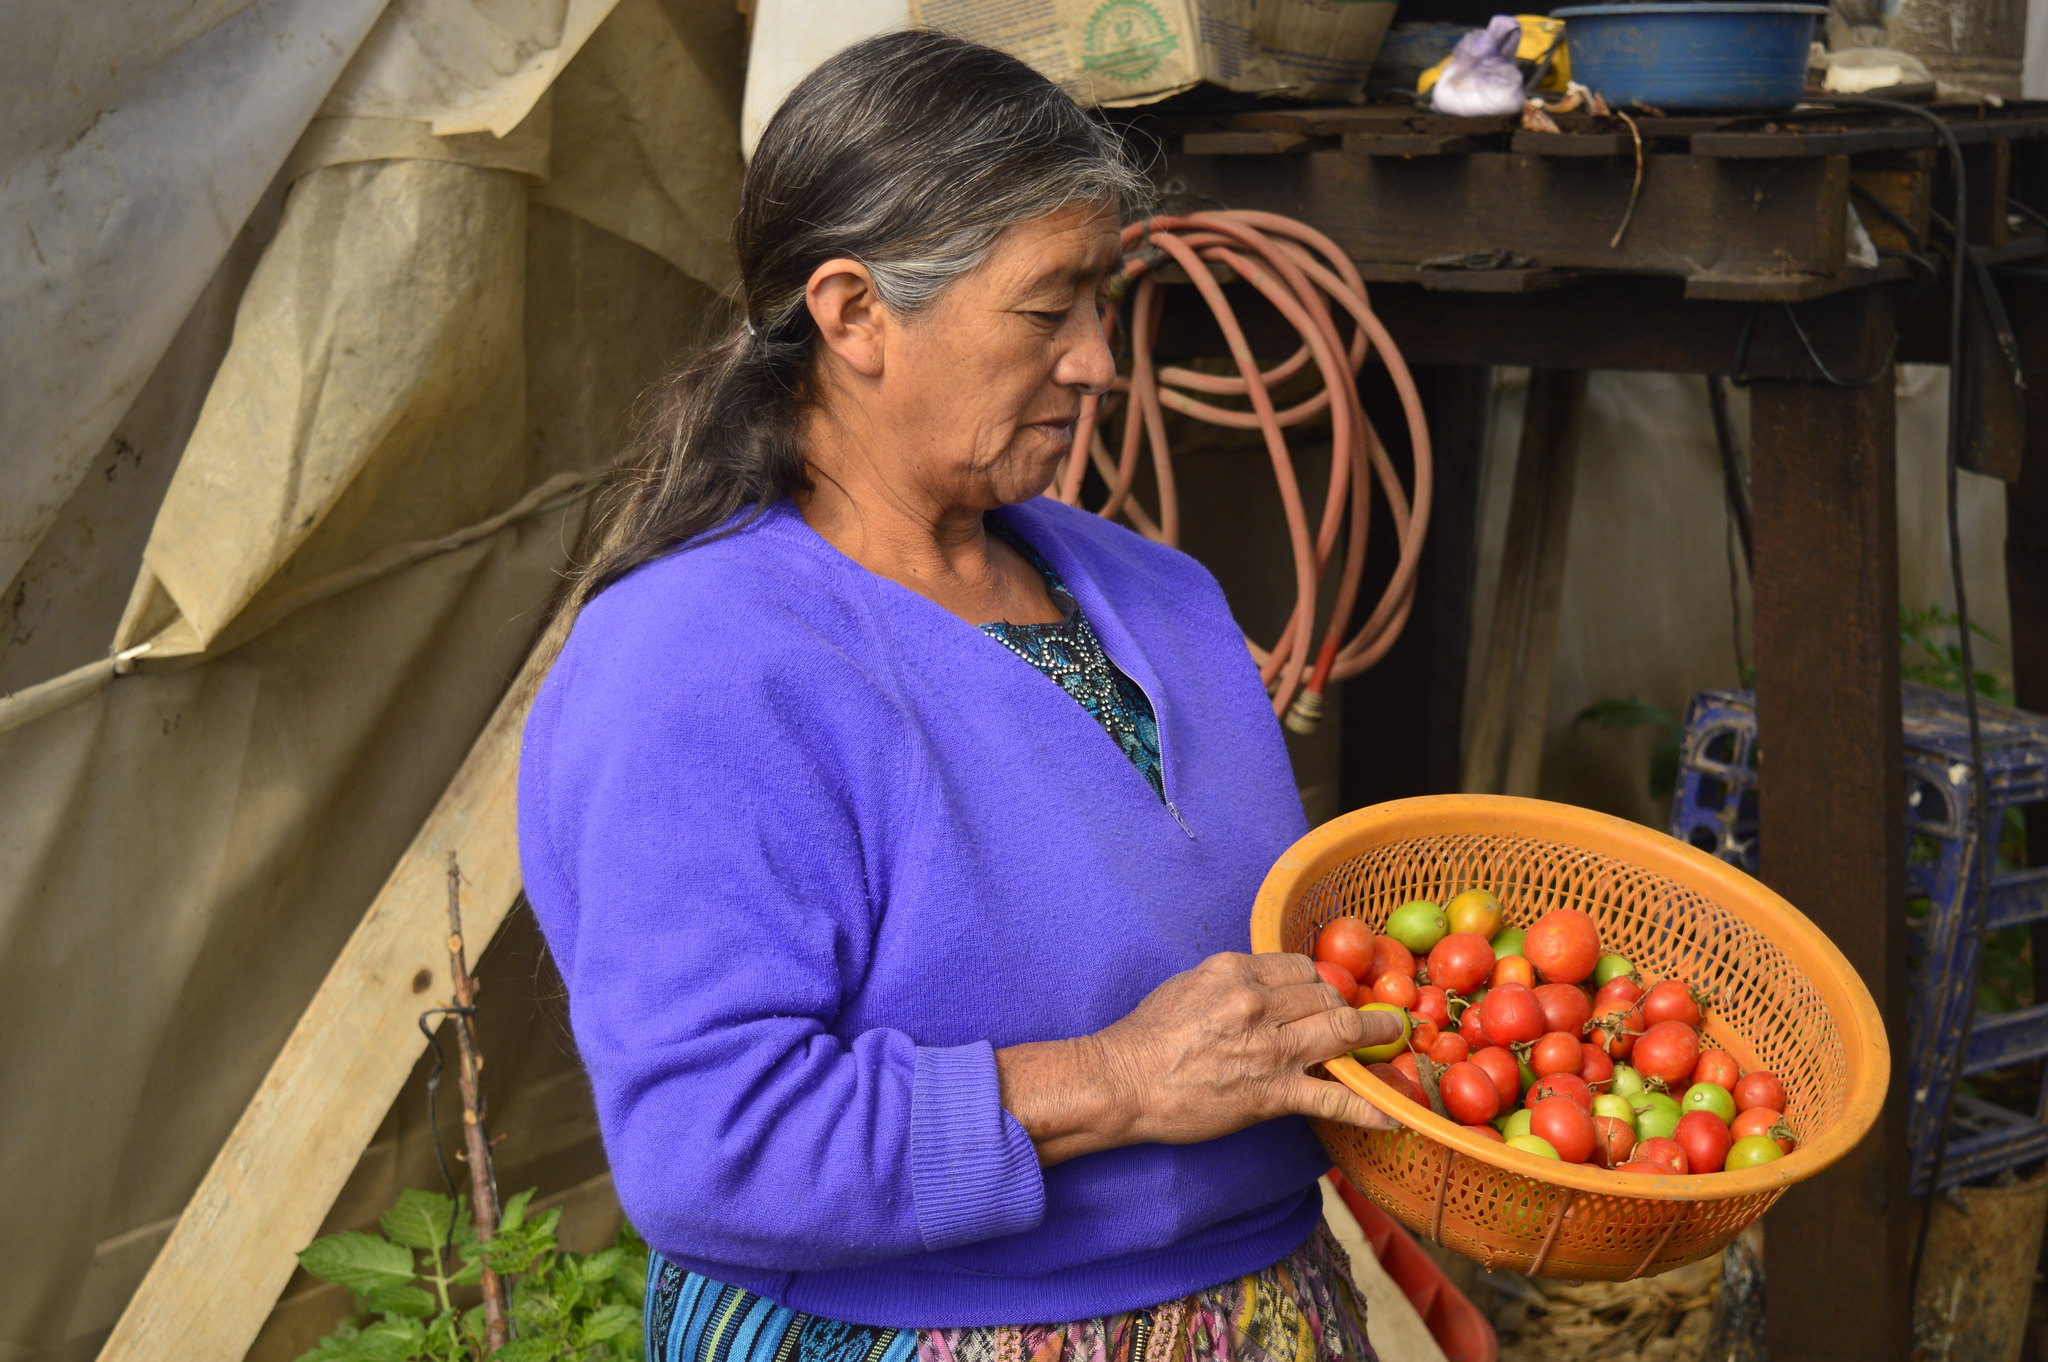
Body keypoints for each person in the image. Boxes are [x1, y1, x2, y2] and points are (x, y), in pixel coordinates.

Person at [517, 29, 1402, 1362]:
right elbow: (713, 1140)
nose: (1101, 361)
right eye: (1050, 310)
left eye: (1104, 302)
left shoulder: (1156, 592)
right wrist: (1115, 1079)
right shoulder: (699, 664)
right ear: (854, 312)